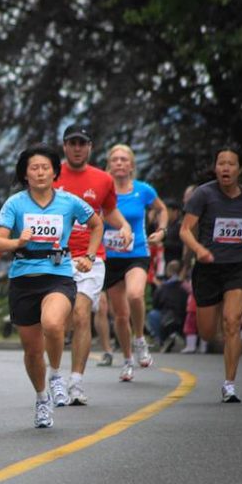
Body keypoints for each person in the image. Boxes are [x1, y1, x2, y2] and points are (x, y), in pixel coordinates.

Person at [0, 143, 102, 428]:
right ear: (25, 174)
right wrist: (18, 242)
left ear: (55, 172)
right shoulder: (15, 203)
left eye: (45, 168)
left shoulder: (69, 201)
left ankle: (55, 374)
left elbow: (97, 224)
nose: (40, 173)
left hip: (58, 274)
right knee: (31, 350)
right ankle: (42, 399)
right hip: (23, 279)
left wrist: (89, 256)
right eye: (34, 168)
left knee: (52, 324)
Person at [51, 125, 132, 406]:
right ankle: (55, 377)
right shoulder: (51, 175)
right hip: (56, 256)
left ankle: (75, 382)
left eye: (82, 143)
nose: (77, 148)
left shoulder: (102, 179)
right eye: (72, 143)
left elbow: (108, 210)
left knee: (82, 314)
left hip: (90, 256)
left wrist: (124, 227)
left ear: (90, 147)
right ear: (64, 146)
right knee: (58, 320)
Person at [180, 145, 242, 402]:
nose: (225, 168)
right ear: (215, 166)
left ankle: (229, 384)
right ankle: (227, 331)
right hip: (208, 270)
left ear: (240, 169)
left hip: (237, 267)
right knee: (208, 332)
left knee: (232, 322)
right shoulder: (203, 195)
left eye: (231, 164)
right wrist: (199, 250)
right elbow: (185, 230)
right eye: (221, 163)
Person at [102, 144, 168, 382]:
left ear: (131, 165)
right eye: (115, 160)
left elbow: (162, 210)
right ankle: (128, 360)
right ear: (109, 165)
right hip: (110, 258)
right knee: (119, 315)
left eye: (123, 159)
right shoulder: (103, 190)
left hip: (137, 252)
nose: (119, 163)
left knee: (136, 295)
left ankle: (140, 338)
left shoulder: (143, 190)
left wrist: (161, 230)